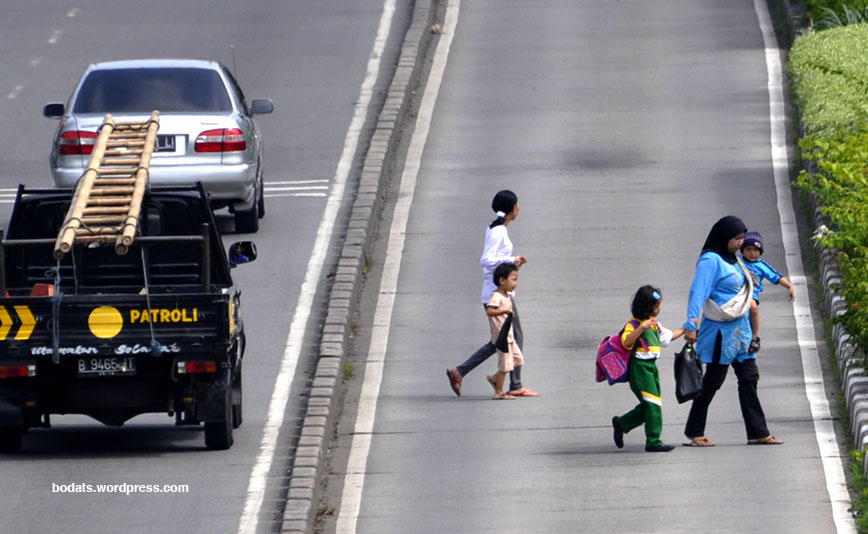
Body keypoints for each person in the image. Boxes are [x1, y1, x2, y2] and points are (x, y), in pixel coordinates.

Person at [682, 216, 782, 447]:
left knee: (749, 378)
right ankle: (694, 431)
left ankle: (758, 432)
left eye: (742, 238)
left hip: (741, 331)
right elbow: (698, 292)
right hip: (719, 334)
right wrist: (691, 324)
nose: (740, 243)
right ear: (724, 237)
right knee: (712, 382)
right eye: (736, 239)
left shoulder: (735, 261)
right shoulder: (711, 261)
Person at [446, 190, 538, 398]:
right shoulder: (498, 232)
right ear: (513, 208)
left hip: (499, 293)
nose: (519, 208)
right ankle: (514, 384)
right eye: (517, 205)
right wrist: (510, 261)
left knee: (502, 340)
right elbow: (487, 260)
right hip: (495, 296)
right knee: (512, 337)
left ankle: (460, 372)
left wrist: (513, 263)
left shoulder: (497, 228)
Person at [611, 286, 684, 452]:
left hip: (651, 367)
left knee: (649, 404)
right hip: (639, 369)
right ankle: (653, 441)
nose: (659, 309)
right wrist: (641, 328)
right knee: (653, 405)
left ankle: (622, 423)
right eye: (656, 306)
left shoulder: (655, 325)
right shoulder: (634, 325)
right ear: (646, 307)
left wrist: (686, 329)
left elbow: (668, 337)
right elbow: (626, 342)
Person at [740, 231, 794, 353]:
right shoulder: (737, 262)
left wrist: (789, 286)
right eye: (748, 249)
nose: (752, 253)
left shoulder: (762, 266)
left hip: (751, 294)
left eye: (756, 250)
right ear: (742, 250)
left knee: (753, 308)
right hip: (736, 293)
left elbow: (776, 276)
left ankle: (754, 337)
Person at [485, 263, 524, 399]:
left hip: (509, 337)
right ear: (502, 281)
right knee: (505, 365)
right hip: (502, 339)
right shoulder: (497, 296)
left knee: (518, 360)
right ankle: (499, 392)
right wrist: (503, 311)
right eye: (513, 279)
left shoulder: (507, 296)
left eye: (516, 280)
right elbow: (490, 311)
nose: (516, 283)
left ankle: (496, 378)